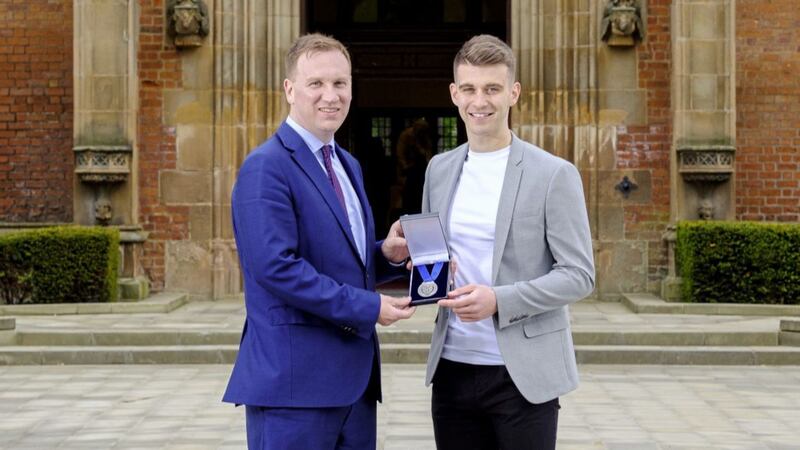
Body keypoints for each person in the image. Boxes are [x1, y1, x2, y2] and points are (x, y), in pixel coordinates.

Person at [222, 33, 415, 450]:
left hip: (354, 388)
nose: (331, 96)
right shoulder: (265, 168)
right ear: (290, 90)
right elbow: (276, 268)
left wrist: (384, 255)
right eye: (317, 84)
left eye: (340, 83)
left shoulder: (348, 164)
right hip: (295, 388)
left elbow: (338, 257)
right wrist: (368, 306)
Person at [421, 35, 595, 450]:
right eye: (469, 89)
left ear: (513, 93)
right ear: (454, 94)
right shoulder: (438, 169)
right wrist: (423, 268)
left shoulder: (554, 174)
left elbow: (579, 276)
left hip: (523, 376)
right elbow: (436, 255)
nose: (479, 101)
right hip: (452, 370)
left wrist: (499, 300)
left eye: (492, 89)